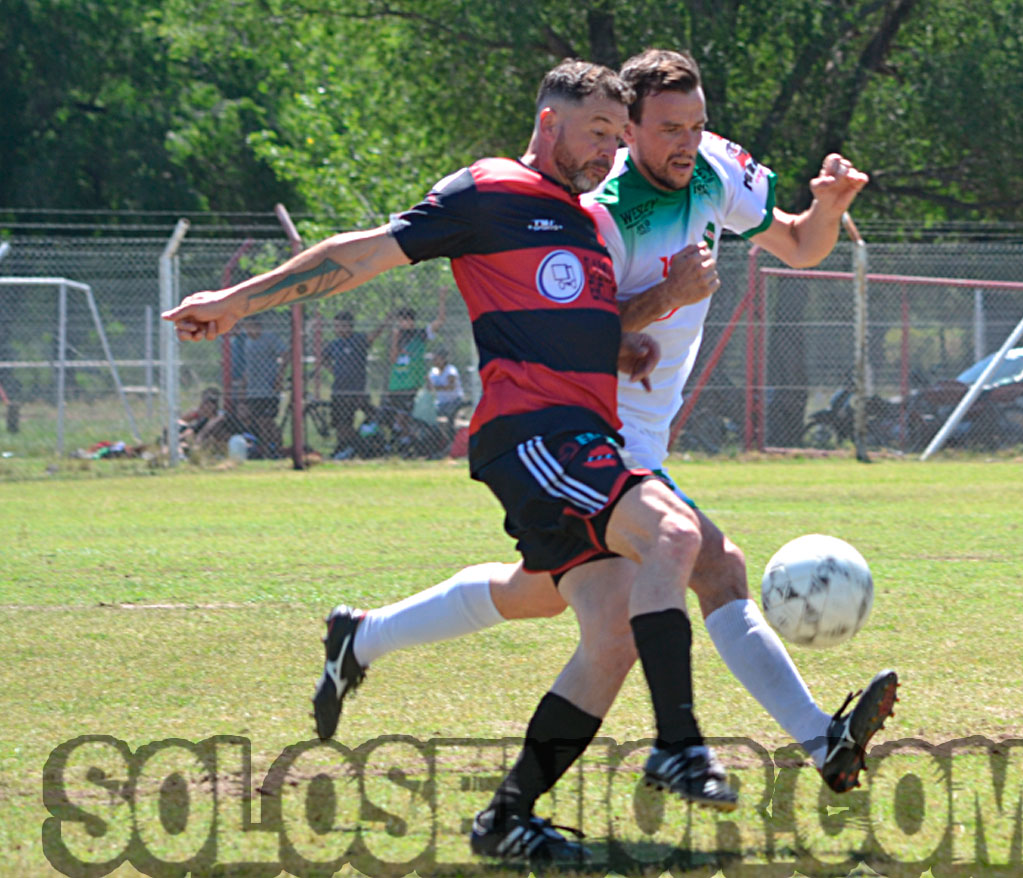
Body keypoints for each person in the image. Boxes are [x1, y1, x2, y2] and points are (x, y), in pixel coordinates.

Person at [164, 58, 735, 866]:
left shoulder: (588, 223)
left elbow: (578, 327)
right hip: (534, 436)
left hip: (582, 436)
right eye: (597, 133)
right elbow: (358, 255)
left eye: (617, 137)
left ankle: (506, 816)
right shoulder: (488, 191)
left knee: (610, 633)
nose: (609, 153)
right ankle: (678, 744)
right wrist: (233, 302)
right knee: (674, 536)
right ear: (547, 124)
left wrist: (633, 335)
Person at [315, 48, 898, 797]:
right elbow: (574, 333)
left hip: (639, 436)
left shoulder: (716, 169)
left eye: (695, 124)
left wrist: (830, 207)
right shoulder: (598, 213)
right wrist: (655, 304)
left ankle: (361, 637)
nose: (685, 142)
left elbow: (800, 246)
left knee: (538, 592)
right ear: (627, 132)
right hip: (590, 432)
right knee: (710, 564)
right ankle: (808, 742)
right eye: (666, 129)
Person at [318, 311, 388, 456]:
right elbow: (323, 358)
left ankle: (368, 443)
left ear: (348, 326)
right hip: (339, 389)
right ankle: (345, 447)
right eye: (335, 326)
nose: (336, 329)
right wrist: (334, 371)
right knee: (341, 422)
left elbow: (373, 336)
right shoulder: (335, 344)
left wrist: (385, 322)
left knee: (371, 414)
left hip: (357, 388)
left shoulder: (358, 339)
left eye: (339, 326)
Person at [383, 292, 446, 418]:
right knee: (395, 415)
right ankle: (402, 435)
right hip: (396, 383)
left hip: (412, 383)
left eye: (405, 320)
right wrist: (395, 339)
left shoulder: (419, 334)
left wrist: (441, 299)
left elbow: (439, 321)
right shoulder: (397, 336)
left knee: (408, 415)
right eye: (400, 320)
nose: (402, 323)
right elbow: (393, 359)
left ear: (411, 320)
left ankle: (409, 436)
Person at [239, 312, 286, 456]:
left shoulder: (270, 338)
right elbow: (249, 365)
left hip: (269, 389)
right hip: (254, 389)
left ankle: (278, 449)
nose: (248, 331)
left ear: (257, 326)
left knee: (268, 421)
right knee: (259, 422)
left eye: (250, 327)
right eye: (246, 328)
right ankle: (266, 451)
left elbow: (285, 354)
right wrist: (244, 382)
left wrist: (280, 376)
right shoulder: (248, 342)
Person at [428, 347, 466, 422]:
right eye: (433, 359)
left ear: (443, 359)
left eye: (436, 359)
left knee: (448, 415)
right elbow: (429, 387)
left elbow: (451, 387)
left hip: (454, 401)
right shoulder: (433, 371)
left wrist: (435, 387)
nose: (434, 361)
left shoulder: (450, 370)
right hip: (441, 402)